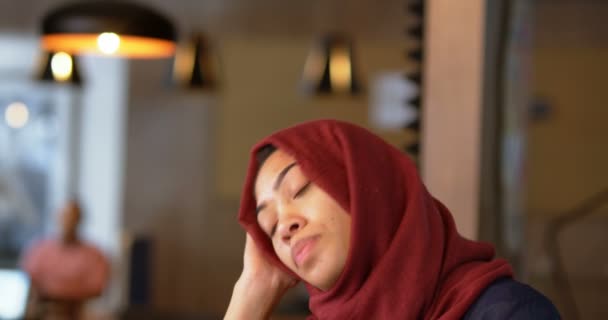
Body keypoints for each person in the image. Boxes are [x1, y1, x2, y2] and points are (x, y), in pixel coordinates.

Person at [224, 119, 560, 319]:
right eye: (269, 227)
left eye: (299, 189)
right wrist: (253, 290)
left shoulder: (507, 314)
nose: (284, 227)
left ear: (368, 187)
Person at [20, 199, 110, 320]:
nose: (68, 221)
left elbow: (97, 288)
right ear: (57, 217)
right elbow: (32, 281)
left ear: (80, 220)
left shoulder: (94, 255)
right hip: (44, 309)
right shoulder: (40, 250)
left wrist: (61, 292)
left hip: (78, 311)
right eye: (65, 216)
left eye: (72, 217)